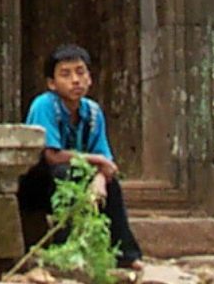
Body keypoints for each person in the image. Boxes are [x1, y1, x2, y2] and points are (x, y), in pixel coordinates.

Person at [18, 43, 145, 269]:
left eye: (80, 72)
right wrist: (98, 162)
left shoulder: (93, 112)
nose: (75, 80)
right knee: (67, 173)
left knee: (111, 185)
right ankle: (65, 248)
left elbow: (107, 163)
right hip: (38, 184)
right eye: (65, 74)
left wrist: (99, 179)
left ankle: (126, 254)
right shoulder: (45, 105)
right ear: (52, 83)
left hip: (75, 175)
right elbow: (51, 156)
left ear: (89, 78)